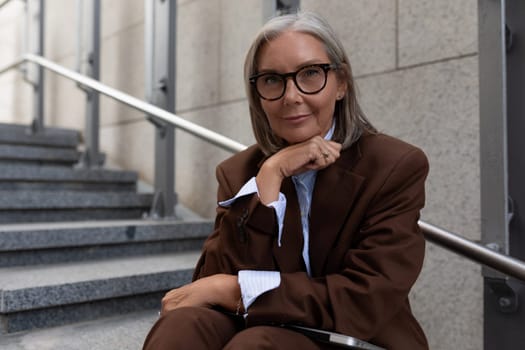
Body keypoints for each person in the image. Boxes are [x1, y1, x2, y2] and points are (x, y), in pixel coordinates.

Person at [143, 11, 429, 350]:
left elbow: (363, 298)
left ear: (341, 83)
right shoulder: (239, 172)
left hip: (356, 337)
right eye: (272, 80)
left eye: (310, 74)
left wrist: (233, 290)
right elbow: (205, 286)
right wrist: (269, 179)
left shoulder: (394, 166)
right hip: (266, 328)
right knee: (182, 325)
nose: (291, 96)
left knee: (256, 345)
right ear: (258, 95)